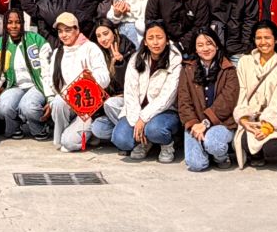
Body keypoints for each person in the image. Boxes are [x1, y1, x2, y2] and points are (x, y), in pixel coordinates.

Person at [233, 20, 277, 168]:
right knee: (243, 142)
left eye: (267, 37)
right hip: (252, 118)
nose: (263, 42)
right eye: (259, 38)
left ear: (276, 40)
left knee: (273, 148)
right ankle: (258, 155)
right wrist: (244, 119)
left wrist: (267, 126)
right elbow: (241, 93)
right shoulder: (244, 62)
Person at [112, 25, 181, 162]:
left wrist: (143, 119)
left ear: (167, 40)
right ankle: (145, 142)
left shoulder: (175, 61)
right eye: (150, 38)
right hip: (137, 111)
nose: (155, 42)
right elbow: (130, 92)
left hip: (165, 111)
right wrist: (137, 120)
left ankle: (166, 144)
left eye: (159, 37)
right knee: (121, 139)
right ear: (145, 42)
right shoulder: (136, 59)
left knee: (154, 130)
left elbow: (167, 97)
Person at [44, 13, 110, 152]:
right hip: (67, 103)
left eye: (68, 30)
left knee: (68, 144)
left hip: (87, 107)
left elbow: (105, 77)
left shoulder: (90, 48)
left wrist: (88, 80)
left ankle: (83, 133)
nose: (64, 35)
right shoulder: (57, 52)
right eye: (60, 31)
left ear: (77, 30)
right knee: (58, 102)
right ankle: (65, 135)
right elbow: (51, 81)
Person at [176, 29, 238, 173]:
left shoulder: (228, 69)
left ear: (217, 45)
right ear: (195, 49)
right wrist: (194, 123)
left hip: (221, 123)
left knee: (214, 144)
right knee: (195, 165)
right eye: (200, 45)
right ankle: (206, 151)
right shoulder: (188, 69)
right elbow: (184, 101)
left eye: (209, 43)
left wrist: (206, 123)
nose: (205, 48)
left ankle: (221, 157)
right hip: (195, 123)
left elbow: (227, 102)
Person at [0, 6, 52, 141]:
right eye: (10, 22)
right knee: (4, 106)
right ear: (5, 24)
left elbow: (47, 71)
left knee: (28, 107)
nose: (14, 26)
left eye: (17, 22)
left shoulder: (37, 40)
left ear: (23, 23)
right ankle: (15, 127)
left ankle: (39, 128)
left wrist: (50, 96)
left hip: (36, 85)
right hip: (14, 86)